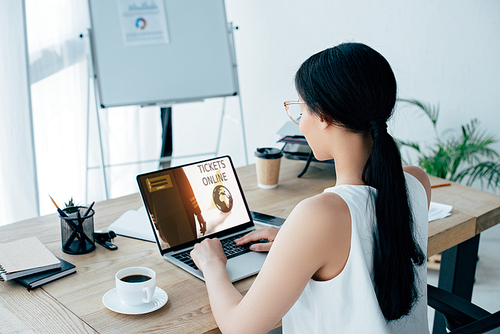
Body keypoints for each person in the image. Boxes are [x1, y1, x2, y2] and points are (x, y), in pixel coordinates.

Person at [190, 42, 431, 333]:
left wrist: (213, 265)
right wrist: (296, 242)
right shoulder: (418, 182)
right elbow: (365, 240)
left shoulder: (320, 215)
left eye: (301, 110)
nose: (300, 124)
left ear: (323, 117)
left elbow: (238, 328)